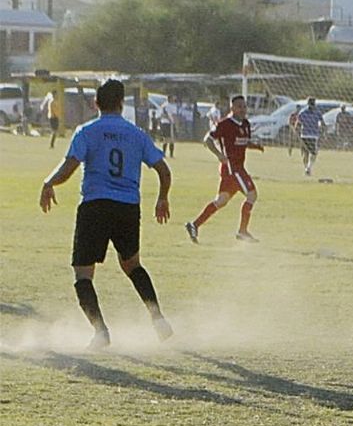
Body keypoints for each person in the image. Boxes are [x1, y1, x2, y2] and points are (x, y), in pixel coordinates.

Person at [38, 79, 174, 350]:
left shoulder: (87, 131)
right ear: (122, 104)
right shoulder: (136, 134)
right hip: (127, 207)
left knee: (83, 275)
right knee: (132, 264)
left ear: (96, 103)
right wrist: (162, 198)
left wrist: (48, 183)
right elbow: (164, 170)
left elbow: (69, 167)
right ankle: (158, 318)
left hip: (95, 206)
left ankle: (100, 332)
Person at [184, 95, 264, 244]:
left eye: (244, 107)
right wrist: (219, 155)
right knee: (252, 195)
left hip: (237, 168)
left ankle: (194, 225)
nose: (243, 109)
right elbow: (207, 140)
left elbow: (243, 142)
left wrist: (255, 146)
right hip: (232, 169)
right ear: (232, 108)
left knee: (221, 201)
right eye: (239, 106)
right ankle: (242, 231)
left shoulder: (245, 124)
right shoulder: (224, 124)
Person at [297, 98, 324, 176]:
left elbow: (322, 123)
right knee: (306, 153)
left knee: (313, 153)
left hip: (313, 135)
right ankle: (307, 168)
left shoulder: (317, 113)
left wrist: (322, 131)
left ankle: (308, 168)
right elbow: (298, 123)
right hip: (306, 135)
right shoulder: (303, 113)